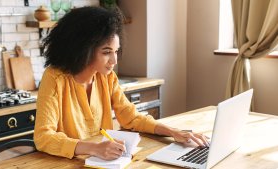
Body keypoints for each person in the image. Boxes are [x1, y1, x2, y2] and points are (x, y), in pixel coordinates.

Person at [34, 6, 209, 161]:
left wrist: (173, 132)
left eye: (116, 51)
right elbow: (44, 137)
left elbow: (131, 117)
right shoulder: (54, 78)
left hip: (106, 162)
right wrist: (94, 149)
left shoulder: (106, 77)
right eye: (106, 52)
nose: (114, 60)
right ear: (83, 49)